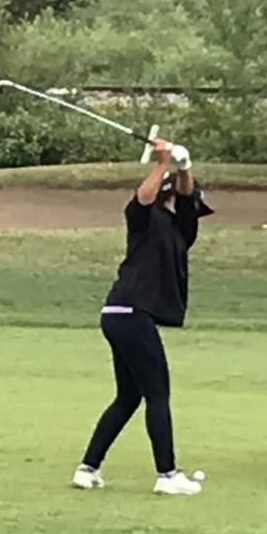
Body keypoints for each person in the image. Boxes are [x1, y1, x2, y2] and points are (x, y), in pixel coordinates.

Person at [72, 139, 214, 495]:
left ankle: (87, 469)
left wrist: (184, 165)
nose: (193, 204)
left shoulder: (182, 228)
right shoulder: (144, 218)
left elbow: (184, 194)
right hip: (129, 312)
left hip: (122, 315)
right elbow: (144, 197)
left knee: (128, 397)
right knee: (157, 394)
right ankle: (167, 475)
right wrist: (161, 163)